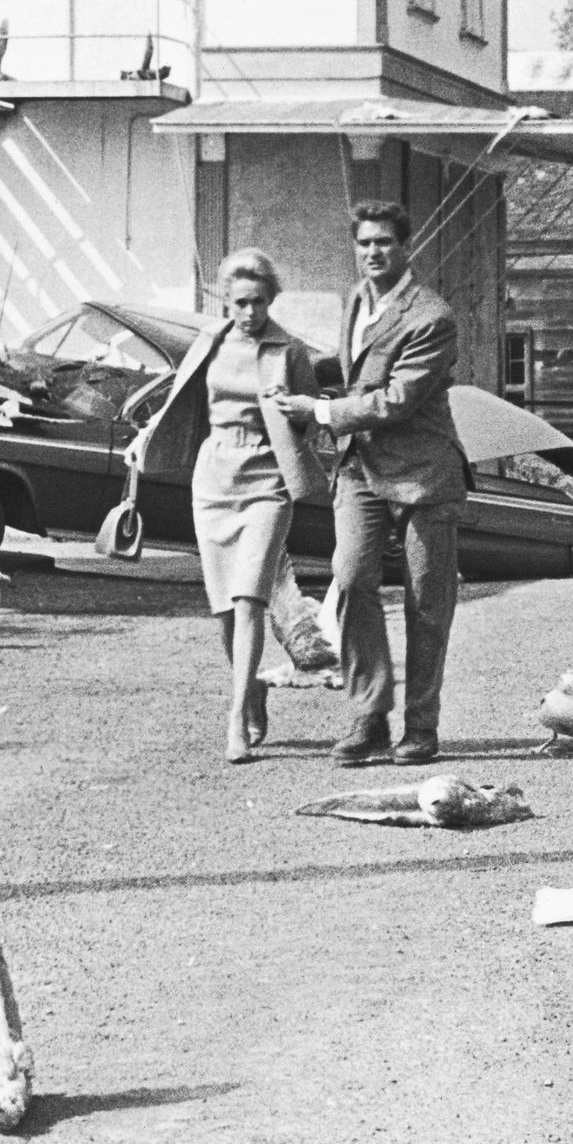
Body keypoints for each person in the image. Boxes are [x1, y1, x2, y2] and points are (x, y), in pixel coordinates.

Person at [272, 200, 468, 768]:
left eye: (383, 242)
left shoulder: (432, 316)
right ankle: (369, 714)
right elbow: (356, 372)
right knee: (352, 579)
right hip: (359, 467)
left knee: (426, 603)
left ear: (406, 247)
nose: (373, 253)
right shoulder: (356, 299)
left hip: (423, 474)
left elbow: (399, 399)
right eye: (364, 244)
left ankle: (421, 728)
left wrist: (321, 411)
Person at [131, 249, 324, 764]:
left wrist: (293, 412)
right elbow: (182, 399)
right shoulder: (208, 343)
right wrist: (146, 438)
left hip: (268, 480)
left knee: (249, 599)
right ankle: (253, 687)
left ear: (272, 299)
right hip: (214, 478)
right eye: (240, 302)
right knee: (223, 609)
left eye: (259, 301)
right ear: (224, 299)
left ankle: (235, 717)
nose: (250, 312)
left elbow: (312, 416)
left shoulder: (291, 351)